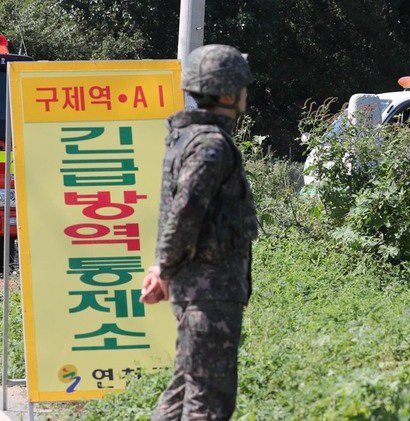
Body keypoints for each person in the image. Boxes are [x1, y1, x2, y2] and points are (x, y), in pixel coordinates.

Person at [140, 44, 258, 420]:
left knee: (183, 393)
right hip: (209, 295)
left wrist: (165, 267)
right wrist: (163, 268)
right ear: (227, 94)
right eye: (242, 87)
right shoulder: (210, 145)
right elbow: (185, 213)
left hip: (202, 294)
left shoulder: (189, 138)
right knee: (208, 401)